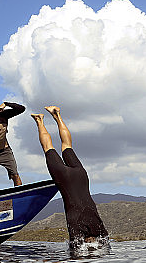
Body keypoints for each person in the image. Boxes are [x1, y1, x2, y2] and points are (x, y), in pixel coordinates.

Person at [31, 106, 108, 247]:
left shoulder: (99, 229)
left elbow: (104, 242)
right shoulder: (78, 231)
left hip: (81, 176)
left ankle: (57, 115)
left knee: (68, 146)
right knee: (48, 147)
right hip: (65, 179)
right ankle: (39, 120)